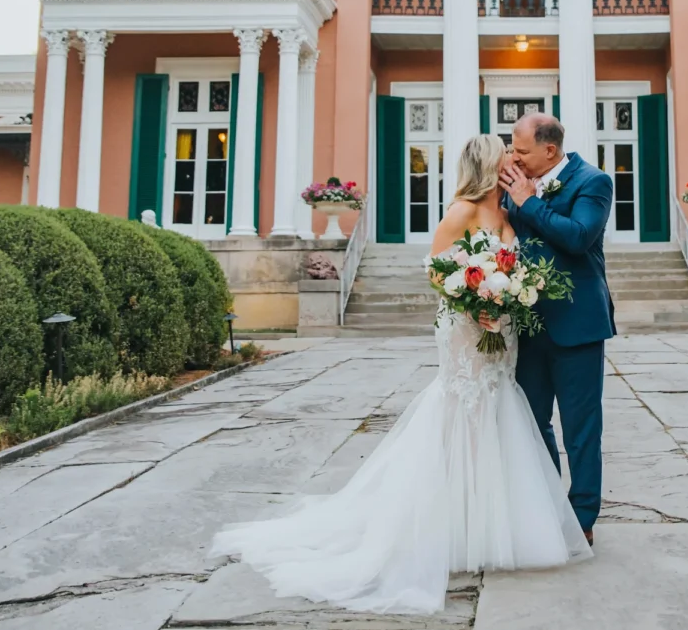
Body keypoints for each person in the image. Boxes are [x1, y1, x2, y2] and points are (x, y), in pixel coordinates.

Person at [211, 133, 590, 615]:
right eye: (506, 159)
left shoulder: (512, 212)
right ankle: (452, 520)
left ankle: (493, 519)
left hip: (504, 327)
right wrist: (476, 304)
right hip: (466, 328)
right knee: (466, 408)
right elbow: (436, 269)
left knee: (500, 407)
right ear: (489, 167)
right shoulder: (462, 210)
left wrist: (507, 297)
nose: (514, 164)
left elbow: (512, 263)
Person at [499, 112, 615, 544]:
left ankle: (582, 517)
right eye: (512, 149)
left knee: (581, 427)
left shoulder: (593, 181)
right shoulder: (516, 182)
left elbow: (578, 236)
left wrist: (530, 202)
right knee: (532, 422)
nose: (515, 157)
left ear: (550, 150)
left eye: (522, 151)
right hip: (527, 324)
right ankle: (547, 503)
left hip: (577, 324)